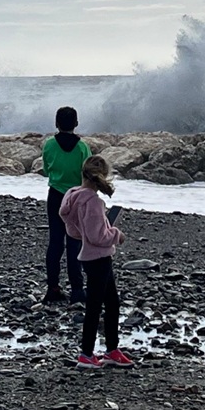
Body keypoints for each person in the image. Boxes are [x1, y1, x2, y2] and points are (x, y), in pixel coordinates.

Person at [59, 155, 134, 369]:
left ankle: (111, 349)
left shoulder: (72, 196)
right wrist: (116, 234)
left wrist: (98, 230)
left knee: (111, 303)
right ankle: (87, 353)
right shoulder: (92, 202)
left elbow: (74, 230)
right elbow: (96, 236)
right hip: (97, 257)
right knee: (96, 306)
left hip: (92, 257)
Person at [40, 106, 90, 304]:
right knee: (74, 243)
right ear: (76, 124)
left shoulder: (49, 145)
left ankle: (52, 287)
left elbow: (46, 169)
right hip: (76, 196)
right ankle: (77, 289)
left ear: (56, 123)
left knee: (55, 242)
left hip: (55, 195)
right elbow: (87, 174)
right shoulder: (82, 147)